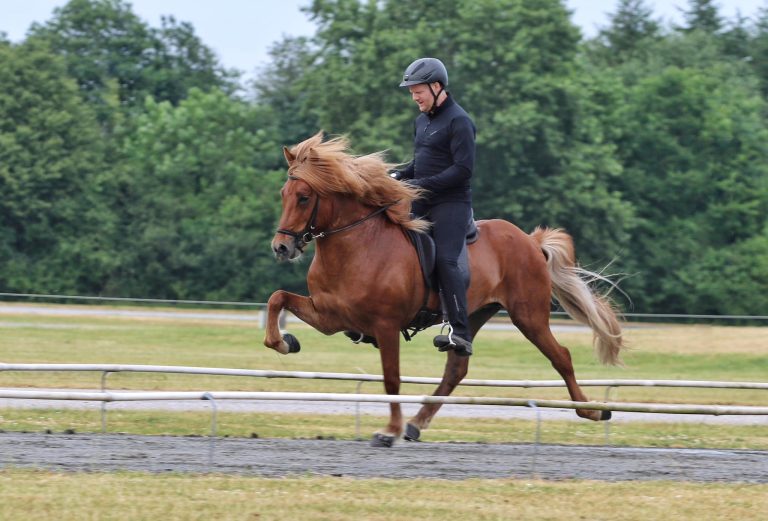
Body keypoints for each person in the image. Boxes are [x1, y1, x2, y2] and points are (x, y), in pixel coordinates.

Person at [392, 57, 476, 357]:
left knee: (445, 260)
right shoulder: (422, 121)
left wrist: (421, 185)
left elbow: (462, 170)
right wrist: (399, 175)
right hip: (422, 200)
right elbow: (422, 162)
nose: (414, 97)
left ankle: (461, 333)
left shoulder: (459, 121)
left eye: (418, 91)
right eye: (411, 92)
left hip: (452, 203)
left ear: (437, 86)